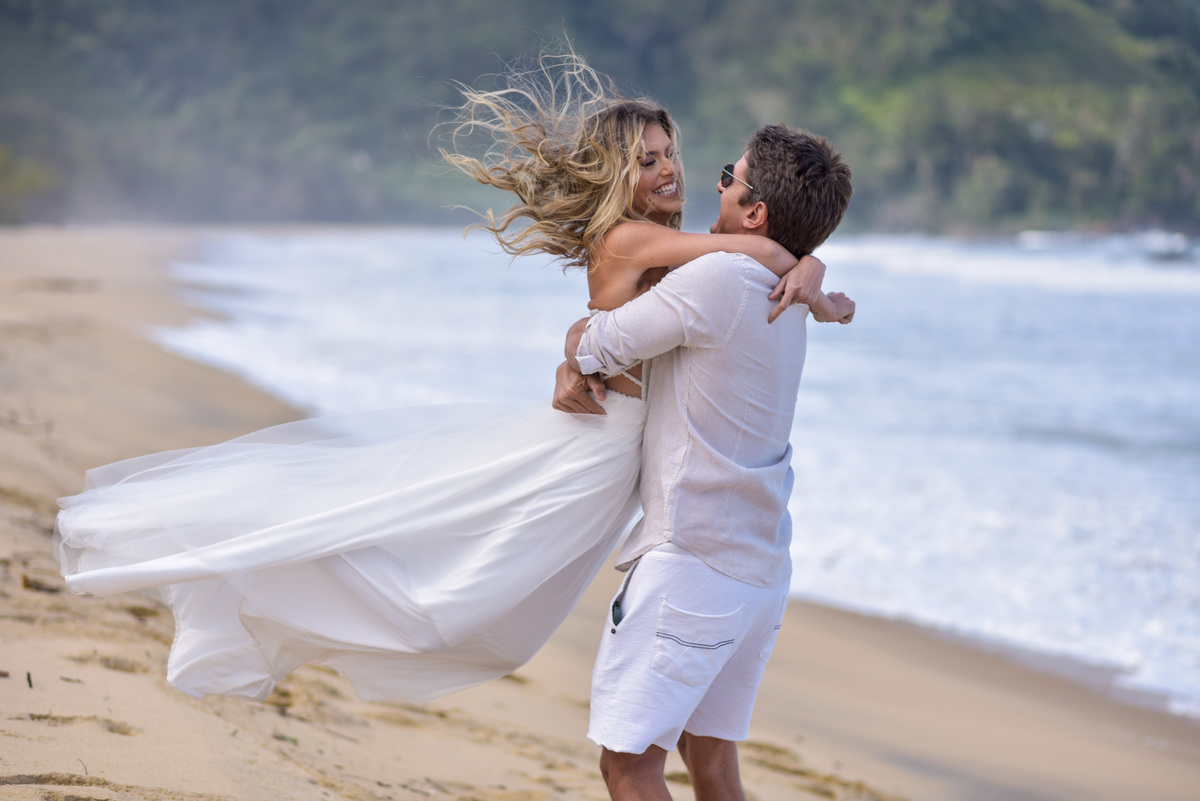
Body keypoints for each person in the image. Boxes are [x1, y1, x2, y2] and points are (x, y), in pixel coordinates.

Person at [53, 52, 848, 706]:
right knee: (455, 605)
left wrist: (802, 267)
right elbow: (752, 254)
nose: (669, 169)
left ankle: (268, 584)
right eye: (647, 160)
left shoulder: (669, 246)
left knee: (465, 586)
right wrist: (805, 262)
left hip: (619, 450)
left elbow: (704, 288)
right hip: (598, 448)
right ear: (618, 174)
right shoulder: (634, 238)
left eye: (671, 151)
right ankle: (252, 585)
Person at [560, 124, 854, 800]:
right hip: (760, 569)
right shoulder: (787, 292)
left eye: (730, 175)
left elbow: (596, 347)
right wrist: (809, 267)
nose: (712, 182)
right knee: (710, 757)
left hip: (693, 562)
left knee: (629, 764)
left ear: (754, 214)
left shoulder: (720, 278)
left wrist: (575, 342)